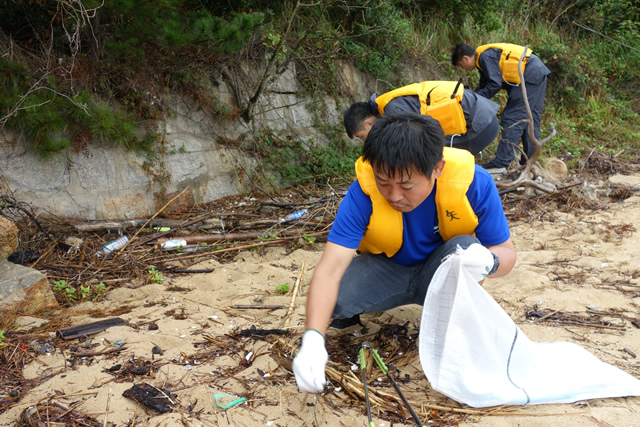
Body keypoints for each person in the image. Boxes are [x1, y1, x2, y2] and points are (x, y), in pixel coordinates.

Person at [292, 113, 517, 393]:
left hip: (443, 272)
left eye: (406, 185)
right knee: (334, 298)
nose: (394, 195)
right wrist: (313, 339)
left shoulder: (474, 183)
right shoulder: (362, 193)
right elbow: (330, 268)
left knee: (467, 247)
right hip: (389, 269)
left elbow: (506, 252)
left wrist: (490, 261)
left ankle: (452, 319)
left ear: (437, 168)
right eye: (384, 182)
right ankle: (349, 315)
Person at [451, 43, 551, 169]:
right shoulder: (482, 59)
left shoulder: (484, 57)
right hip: (536, 72)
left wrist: (474, 100)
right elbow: (484, 86)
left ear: (466, 58)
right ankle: (530, 163)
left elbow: (494, 83)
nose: (464, 68)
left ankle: (502, 163)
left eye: (461, 65)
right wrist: (471, 98)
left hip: (529, 74)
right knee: (531, 118)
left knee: (512, 117)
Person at [343, 80, 500, 155]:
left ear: (368, 122)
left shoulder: (393, 110)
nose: (365, 141)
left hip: (481, 125)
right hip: (484, 118)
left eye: (362, 136)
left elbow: (414, 143)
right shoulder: (391, 106)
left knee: (431, 153)